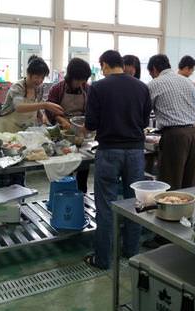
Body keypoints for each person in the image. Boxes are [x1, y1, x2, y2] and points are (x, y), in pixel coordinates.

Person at [84, 50, 151, 269]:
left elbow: (91, 124)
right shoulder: (142, 87)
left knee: (106, 206)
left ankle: (103, 259)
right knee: (135, 203)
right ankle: (131, 252)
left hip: (109, 151)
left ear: (104, 64)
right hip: (135, 152)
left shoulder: (98, 87)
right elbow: (143, 121)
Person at [0, 55, 64, 187]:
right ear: (28, 74)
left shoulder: (39, 88)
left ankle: (19, 201)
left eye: (42, 77)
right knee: (5, 169)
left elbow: (36, 106)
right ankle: (5, 202)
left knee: (20, 168)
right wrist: (45, 105)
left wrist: (41, 116)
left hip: (21, 133)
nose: (40, 80)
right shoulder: (17, 87)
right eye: (37, 76)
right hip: (5, 131)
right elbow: (19, 107)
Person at [147, 54, 195, 189]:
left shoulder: (154, 84)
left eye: (151, 73)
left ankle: (170, 210)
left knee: (170, 183)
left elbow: (144, 114)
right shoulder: (188, 82)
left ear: (154, 69)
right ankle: (187, 210)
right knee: (190, 185)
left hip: (175, 137)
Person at [47, 57, 92, 193]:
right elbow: (50, 110)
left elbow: (91, 109)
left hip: (81, 133)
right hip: (62, 134)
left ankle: (82, 194)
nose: (81, 83)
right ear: (70, 77)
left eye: (83, 80)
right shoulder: (57, 89)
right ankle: (65, 193)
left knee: (84, 164)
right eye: (78, 80)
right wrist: (62, 120)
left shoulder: (87, 89)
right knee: (65, 168)